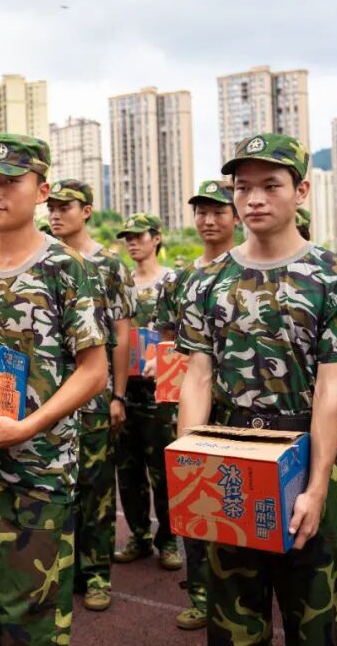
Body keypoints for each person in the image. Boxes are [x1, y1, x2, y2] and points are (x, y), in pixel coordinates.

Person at [176, 133, 337, 645]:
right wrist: (192, 470)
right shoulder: (204, 281)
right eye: (243, 188)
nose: (254, 199)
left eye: (271, 185)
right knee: (233, 619)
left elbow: (331, 393)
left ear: (302, 190)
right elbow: (197, 377)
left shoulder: (336, 278)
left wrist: (314, 488)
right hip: (230, 452)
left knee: (311, 615)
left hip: (304, 447)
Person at [0, 133, 109, 644]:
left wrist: (27, 427)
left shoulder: (65, 269)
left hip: (37, 471)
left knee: (28, 618)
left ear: (41, 191)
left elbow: (93, 371)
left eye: (9, 182)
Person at [153, 179, 239, 630]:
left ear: (236, 216)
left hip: (238, 410)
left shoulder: (246, 270)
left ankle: (234, 596)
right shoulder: (182, 278)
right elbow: (169, 342)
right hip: (187, 405)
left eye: (218, 211)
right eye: (201, 212)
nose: (208, 220)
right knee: (194, 498)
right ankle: (202, 592)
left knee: (236, 500)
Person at [47, 178, 133, 612]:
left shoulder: (110, 264)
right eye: (52, 206)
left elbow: (121, 331)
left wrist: (119, 394)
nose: (56, 213)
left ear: (88, 210)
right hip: (49, 394)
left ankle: (96, 573)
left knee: (96, 487)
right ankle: (60, 571)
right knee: (53, 485)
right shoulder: (43, 260)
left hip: (95, 395)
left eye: (67, 206)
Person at [113, 212, 180, 571]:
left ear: (156, 238)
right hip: (127, 388)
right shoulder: (121, 284)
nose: (132, 242)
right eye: (128, 237)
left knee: (163, 470)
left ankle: (168, 539)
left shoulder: (172, 281)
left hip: (161, 391)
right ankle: (138, 535)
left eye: (139, 236)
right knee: (128, 468)